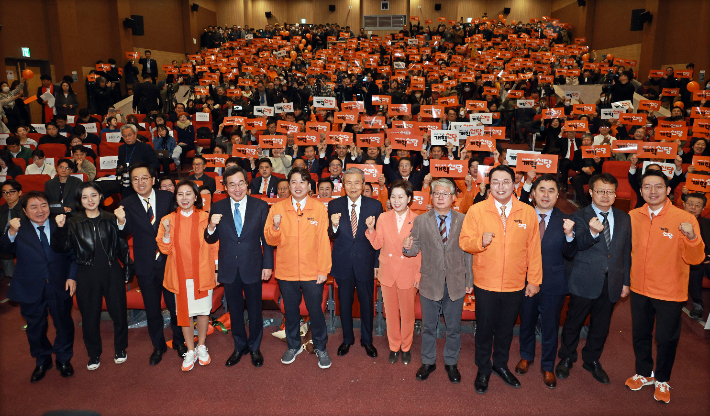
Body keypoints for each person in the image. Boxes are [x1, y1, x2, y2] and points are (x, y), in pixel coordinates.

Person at [459, 165, 542, 394]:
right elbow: (464, 241)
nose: (501, 187)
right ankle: (483, 368)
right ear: (489, 184)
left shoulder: (527, 212)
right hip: (486, 282)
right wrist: (479, 242)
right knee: (485, 329)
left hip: (515, 283)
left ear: (514, 184)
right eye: (496, 182)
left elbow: (533, 250)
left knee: (506, 329)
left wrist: (534, 280)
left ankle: (501, 365)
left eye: (506, 182)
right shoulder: (477, 210)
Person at [625, 170, 705, 404]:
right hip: (639, 288)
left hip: (670, 291)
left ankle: (662, 378)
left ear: (669, 190)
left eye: (658, 187)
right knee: (640, 334)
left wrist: (691, 238)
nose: (653, 191)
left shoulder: (685, 219)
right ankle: (643, 373)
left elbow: (696, 259)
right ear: (640, 191)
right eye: (647, 187)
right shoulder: (632, 216)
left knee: (666, 338)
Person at [556, 173, 632, 385]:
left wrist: (626, 281)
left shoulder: (625, 218)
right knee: (573, 323)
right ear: (590, 192)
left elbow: (626, 252)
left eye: (609, 192)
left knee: (601, 325)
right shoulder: (579, 215)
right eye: (600, 191)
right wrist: (592, 231)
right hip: (584, 279)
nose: (605, 196)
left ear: (615, 194)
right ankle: (567, 357)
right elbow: (577, 245)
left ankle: (592, 359)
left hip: (612, 281)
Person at [51, 182, 130, 371]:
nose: (90, 200)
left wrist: (127, 270)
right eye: (85, 197)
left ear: (100, 196)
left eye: (94, 195)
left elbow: (123, 246)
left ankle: (120, 348)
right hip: (86, 273)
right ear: (79, 200)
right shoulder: (72, 222)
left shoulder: (111, 218)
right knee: (89, 317)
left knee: (119, 313)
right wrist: (60, 229)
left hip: (112, 271)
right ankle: (94, 354)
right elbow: (61, 248)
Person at [0, 191, 77, 382]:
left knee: (64, 324)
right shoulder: (18, 228)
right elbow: (4, 249)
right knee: (35, 327)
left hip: (59, 284)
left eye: (43, 205)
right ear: (25, 211)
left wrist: (72, 277)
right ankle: (42, 360)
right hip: (30, 286)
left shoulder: (61, 224)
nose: (40, 210)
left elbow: (74, 254)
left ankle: (63, 359)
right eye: (33, 207)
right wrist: (11, 232)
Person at [402, 178, 473, 383]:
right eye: (436, 193)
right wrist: (407, 247)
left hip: (456, 281)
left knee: (453, 328)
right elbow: (414, 249)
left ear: (453, 197)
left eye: (445, 194)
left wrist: (470, 278)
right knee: (428, 326)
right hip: (430, 281)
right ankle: (428, 361)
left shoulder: (463, 219)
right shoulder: (421, 220)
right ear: (431, 197)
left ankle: (451, 362)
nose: (440, 197)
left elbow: (468, 253)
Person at [117, 163, 186, 365]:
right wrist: (120, 222)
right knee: (152, 308)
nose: (140, 182)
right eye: (135, 179)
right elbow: (124, 232)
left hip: (170, 261)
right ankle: (158, 346)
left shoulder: (167, 198)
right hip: (146, 265)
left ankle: (179, 341)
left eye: (144, 178)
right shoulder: (127, 203)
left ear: (153, 180)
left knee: (175, 307)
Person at [264, 166, 332, 369]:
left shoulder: (318, 208)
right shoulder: (277, 208)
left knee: (316, 311)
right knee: (291, 311)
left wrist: (323, 270)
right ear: (288, 185)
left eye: (302, 182)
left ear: (309, 186)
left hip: (313, 271)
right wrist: (275, 227)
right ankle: (293, 345)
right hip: (287, 271)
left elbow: (324, 242)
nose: (298, 186)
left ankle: (320, 346)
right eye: (293, 182)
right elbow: (269, 239)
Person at [205, 166, 274, 368]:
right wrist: (210, 226)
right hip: (229, 268)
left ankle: (254, 347)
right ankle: (239, 346)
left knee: (254, 311)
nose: (237, 188)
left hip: (253, 265)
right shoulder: (217, 208)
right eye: (232, 184)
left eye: (240, 183)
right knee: (234, 311)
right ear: (225, 187)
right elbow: (210, 239)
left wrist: (268, 265)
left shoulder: (260, 206)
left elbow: (267, 240)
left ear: (247, 184)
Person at [514, 174, 577, 389]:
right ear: (533, 193)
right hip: (525, 281)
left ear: (558, 195)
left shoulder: (566, 220)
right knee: (527, 322)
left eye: (551, 190)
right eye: (542, 189)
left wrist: (570, 236)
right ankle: (526, 356)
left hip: (554, 283)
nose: (546, 194)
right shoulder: (521, 217)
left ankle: (548, 365)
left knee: (550, 326)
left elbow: (570, 253)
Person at [157, 180, 217, 371]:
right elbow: (164, 249)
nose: (184, 198)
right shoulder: (168, 220)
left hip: (202, 273)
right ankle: (190, 349)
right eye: (180, 194)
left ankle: (201, 346)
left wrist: (216, 270)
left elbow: (214, 246)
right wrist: (166, 232)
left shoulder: (206, 217)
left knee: (203, 311)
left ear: (196, 196)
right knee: (185, 314)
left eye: (188, 194)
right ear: (176, 197)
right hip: (180, 277)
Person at [328, 167, 383, 358]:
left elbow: (379, 239)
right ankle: (347, 339)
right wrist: (334, 225)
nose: (353, 186)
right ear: (343, 185)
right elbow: (331, 235)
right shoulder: (334, 205)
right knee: (344, 304)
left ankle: (367, 341)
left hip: (366, 263)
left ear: (363, 184)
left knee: (367, 304)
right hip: (342, 263)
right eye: (349, 182)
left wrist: (377, 264)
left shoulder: (375, 206)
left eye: (357, 182)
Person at [365, 180, 421, 365]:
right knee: (390, 312)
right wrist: (371, 230)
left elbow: (421, 251)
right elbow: (377, 244)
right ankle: (394, 346)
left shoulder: (418, 219)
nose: (396, 200)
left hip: (408, 270)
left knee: (407, 313)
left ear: (409, 199)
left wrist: (418, 275)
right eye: (393, 196)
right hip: (388, 270)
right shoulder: (382, 217)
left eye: (401, 196)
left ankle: (406, 347)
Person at [682, 193, 710, 320]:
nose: (693, 207)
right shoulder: (674, 222)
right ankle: (697, 303)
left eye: (698, 205)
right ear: (683, 205)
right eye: (690, 204)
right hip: (686, 260)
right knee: (695, 269)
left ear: (703, 208)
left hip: (708, 260)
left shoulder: (707, 223)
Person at [117, 124, 160, 196]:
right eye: (124, 136)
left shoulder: (145, 147)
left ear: (135, 134)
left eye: (129, 135)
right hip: (127, 181)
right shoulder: (121, 148)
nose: (127, 138)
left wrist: (138, 170)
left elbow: (155, 164)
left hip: (143, 180)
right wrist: (120, 168)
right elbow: (119, 163)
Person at [0, 179, 24, 278]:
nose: (8, 195)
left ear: (19, 193)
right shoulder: (1, 209)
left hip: (20, 242)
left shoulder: (26, 209)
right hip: (4, 242)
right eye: (5, 192)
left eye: (11, 192)